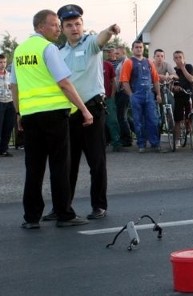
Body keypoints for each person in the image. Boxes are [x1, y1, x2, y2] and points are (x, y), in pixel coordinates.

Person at [10, 9, 93, 229]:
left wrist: (19, 113)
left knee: (34, 168)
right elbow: (64, 83)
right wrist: (84, 109)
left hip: (30, 117)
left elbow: (14, 86)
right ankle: (64, 214)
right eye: (55, 25)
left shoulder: (19, 51)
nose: (58, 29)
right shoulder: (48, 48)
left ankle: (31, 218)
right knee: (60, 166)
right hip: (54, 115)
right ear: (40, 27)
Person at [42, 4, 120, 222]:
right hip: (68, 113)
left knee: (96, 161)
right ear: (63, 28)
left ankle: (99, 206)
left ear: (82, 25)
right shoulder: (59, 52)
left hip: (92, 110)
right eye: (69, 25)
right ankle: (62, 207)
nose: (74, 28)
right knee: (68, 164)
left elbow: (102, 38)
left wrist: (111, 29)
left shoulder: (90, 44)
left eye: (78, 24)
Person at [120, 40, 162, 153]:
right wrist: (131, 95)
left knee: (153, 120)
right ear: (133, 49)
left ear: (143, 49)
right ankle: (141, 144)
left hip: (149, 95)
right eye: (137, 47)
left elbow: (156, 79)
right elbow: (124, 81)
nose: (139, 49)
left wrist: (158, 94)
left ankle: (155, 143)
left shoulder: (149, 62)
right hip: (136, 96)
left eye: (141, 47)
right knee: (138, 121)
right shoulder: (128, 62)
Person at [110, 45, 133, 147]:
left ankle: (127, 139)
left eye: (117, 53)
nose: (116, 55)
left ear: (123, 53)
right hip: (121, 91)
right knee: (123, 116)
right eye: (115, 53)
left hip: (124, 92)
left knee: (121, 116)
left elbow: (126, 78)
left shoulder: (126, 63)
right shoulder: (122, 63)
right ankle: (127, 137)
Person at [171, 50, 193, 138]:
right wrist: (174, 88)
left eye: (180, 57)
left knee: (191, 116)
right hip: (178, 97)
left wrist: (183, 68)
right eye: (176, 58)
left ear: (184, 58)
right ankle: (177, 139)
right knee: (177, 119)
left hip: (189, 95)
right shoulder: (173, 70)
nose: (178, 59)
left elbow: (191, 79)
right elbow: (171, 85)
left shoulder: (189, 67)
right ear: (174, 59)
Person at [103, 59, 123, 152]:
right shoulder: (87, 64)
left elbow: (113, 80)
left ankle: (117, 143)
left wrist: (112, 94)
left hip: (108, 97)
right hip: (93, 98)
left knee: (112, 120)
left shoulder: (107, 65)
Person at [0, 53, 15, 157]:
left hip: (10, 102)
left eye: (4, 62)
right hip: (0, 102)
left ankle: (4, 150)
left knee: (8, 126)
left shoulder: (9, 74)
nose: (2, 64)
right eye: (0, 62)